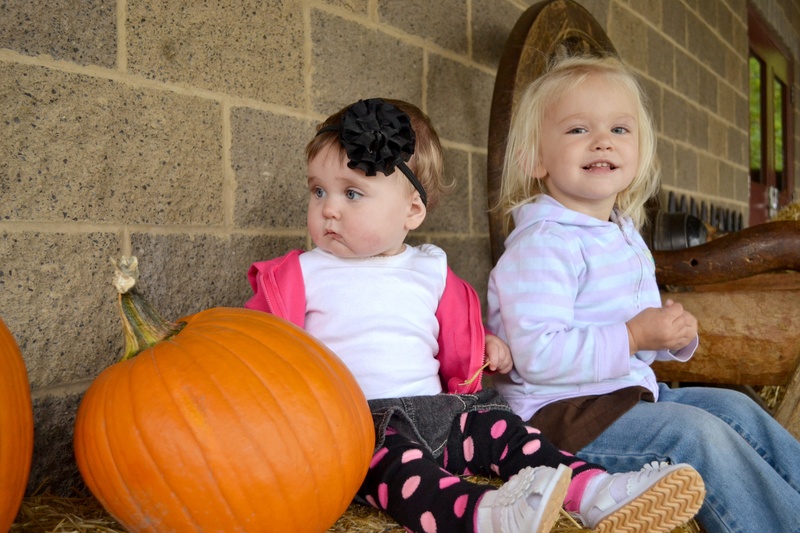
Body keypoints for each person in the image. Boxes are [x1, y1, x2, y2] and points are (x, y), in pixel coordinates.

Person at [245, 97, 704, 533]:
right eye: (318, 191)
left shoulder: (429, 270)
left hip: (441, 415)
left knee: (504, 429)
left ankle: (592, 491)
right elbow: (254, 346)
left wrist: (484, 343)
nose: (328, 208)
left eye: (352, 193)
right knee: (403, 476)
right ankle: (482, 514)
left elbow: (456, 331)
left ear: (412, 210)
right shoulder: (300, 273)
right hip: (360, 430)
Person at [487, 53, 800, 533]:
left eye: (619, 129)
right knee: (694, 436)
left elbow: (636, 343)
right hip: (559, 419)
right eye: (577, 129)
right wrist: (633, 336)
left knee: (737, 408)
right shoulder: (543, 243)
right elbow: (537, 356)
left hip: (623, 396)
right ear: (535, 158)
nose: (602, 140)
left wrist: (668, 337)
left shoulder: (622, 233)